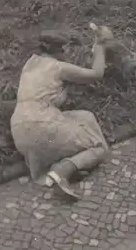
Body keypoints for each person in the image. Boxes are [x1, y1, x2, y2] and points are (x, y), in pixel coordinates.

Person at [10, 25, 114, 201]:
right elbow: (96, 74)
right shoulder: (59, 67)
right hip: (43, 126)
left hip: (19, 130)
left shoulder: (30, 64)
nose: (68, 53)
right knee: (98, 146)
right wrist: (101, 45)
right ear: (62, 49)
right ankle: (62, 171)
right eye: (67, 48)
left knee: (85, 117)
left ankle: (64, 161)